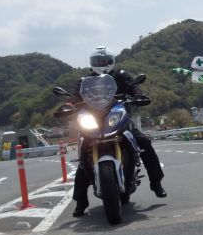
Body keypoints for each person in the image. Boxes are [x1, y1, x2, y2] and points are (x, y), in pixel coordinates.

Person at [72, 46, 167, 217]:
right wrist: (68, 105)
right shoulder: (85, 81)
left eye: (105, 60)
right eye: (98, 61)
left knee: (144, 142)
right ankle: (80, 201)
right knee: (84, 154)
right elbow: (75, 97)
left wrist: (139, 95)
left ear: (112, 61)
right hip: (93, 123)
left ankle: (156, 183)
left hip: (118, 119)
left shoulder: (121, 76)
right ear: (92, 63)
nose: (102, 63)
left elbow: (133, 88)